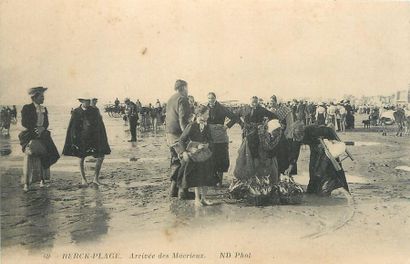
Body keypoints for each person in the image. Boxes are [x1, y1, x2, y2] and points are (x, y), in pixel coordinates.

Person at [229, 97, 281, 201]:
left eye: (256, 103)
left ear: (258, 103)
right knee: (245, 153)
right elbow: (234, 116)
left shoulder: (261, 109)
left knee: (258, 153)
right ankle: (247, 176)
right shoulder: (244, 109)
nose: (254, 104)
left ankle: (259, 177)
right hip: (247, 133)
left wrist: (266, 125)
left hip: (258, 134)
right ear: (249, 102)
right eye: (253, 103)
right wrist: (241, 123)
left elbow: (273, 116)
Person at [286, 121, 349, 196]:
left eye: (300, 136)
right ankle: (313, 189)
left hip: (327, 148)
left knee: (328, 168)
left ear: (302, 132)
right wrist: (291, 165)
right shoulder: (297, 136)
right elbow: (295, 152)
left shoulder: (313, 130)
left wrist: (329, 142)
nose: (299, 139)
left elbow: (330, 131)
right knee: (312, 168)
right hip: (315, 148)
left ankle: (337, 186)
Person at [19, 87, 60, 191]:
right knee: (30, 155)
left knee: (47, 154)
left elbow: (46, 123)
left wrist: (42, 128)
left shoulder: (44, 108)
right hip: (29, 135)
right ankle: (27, 183)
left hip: (42, 134)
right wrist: (35, 129)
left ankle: (43, 180)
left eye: (43, 96)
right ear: (34, 97)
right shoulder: (27, 108)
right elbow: (25, 122)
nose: (43, 99)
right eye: (41, 97)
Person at [62, 96, 111, 185]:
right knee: (81, 158)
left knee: (101, 156)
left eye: (89, 101)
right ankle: (83, 179)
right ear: (81, 101)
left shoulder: (94, 110)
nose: (88, 102)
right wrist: (74, 139)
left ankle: (95, 179)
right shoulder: (76, 112)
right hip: (81, 139)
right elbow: (72, 127)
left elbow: (100, 125)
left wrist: (101, 137)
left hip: (94, 138)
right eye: (86, 101)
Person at [176, 105, 215, 206]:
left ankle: (204, 198)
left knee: (206, 177)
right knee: (197, 177)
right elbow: (181, 140)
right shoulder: (192, 125)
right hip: (194, 154)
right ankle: (197, 199)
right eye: (207, 114)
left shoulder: (206, 126)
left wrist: (207, 145)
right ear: (200, 115)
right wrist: (184, 152)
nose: (208, 116)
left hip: (205, 154)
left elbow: (211, 140)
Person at [165, 79, 193, 198]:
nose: (188, 90)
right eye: (187, 88)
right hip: (178, 135)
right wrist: (186, 135)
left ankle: (173, 191)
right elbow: (182, 118)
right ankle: (183, 191)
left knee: (175, 161)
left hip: (169, 134)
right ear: (183, 88)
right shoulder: (182, 98)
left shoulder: (171, 98)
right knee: (186, 161)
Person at [207, 92, 241, 186]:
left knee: (221, 157)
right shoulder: (205, 108)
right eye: (209, 98)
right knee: (210, 157)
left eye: (212, 98)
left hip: (220, 136)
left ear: (215, 98)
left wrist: (227, 126)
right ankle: (212, 180)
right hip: (209, 136)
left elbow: (234, 118)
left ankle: (220, 181)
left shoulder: (222, 108)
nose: (211, 100)